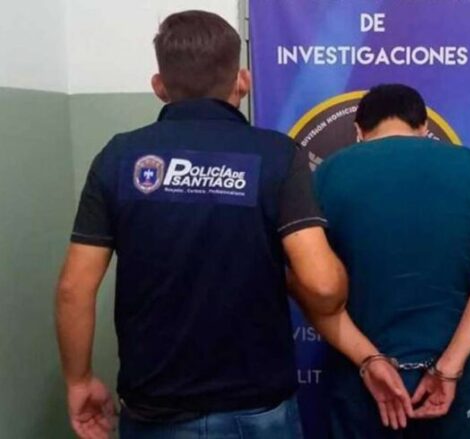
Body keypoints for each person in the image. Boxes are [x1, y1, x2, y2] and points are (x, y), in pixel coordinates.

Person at [54, 10, 347, 439]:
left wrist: (78, 381)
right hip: (257, 411)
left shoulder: (119, 157)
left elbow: (73, 289)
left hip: (155, 410)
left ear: (159, 86)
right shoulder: (277, 155)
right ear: (242, 81)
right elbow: (323, 287)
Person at [303, 84, 470, 438]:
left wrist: (369, 360)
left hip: (360, 377)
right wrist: (449, 367)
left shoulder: (328, 174)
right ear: (423, 126)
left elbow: (310, 284)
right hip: (447, 378)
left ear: (359, 131)